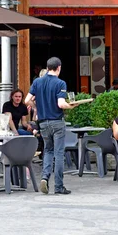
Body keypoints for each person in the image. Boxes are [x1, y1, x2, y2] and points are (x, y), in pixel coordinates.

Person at [25, 57, 78, 195]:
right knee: (58, 153)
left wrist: (37, 107)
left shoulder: (37, 81)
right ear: (59, 67)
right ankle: (59, 186)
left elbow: (26, 100)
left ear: (47, 67)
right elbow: (61, 104)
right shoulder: (60, 83)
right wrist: (71, 106)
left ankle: (44, 177)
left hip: (43, 122)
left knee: (47, 150)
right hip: (57, 121)